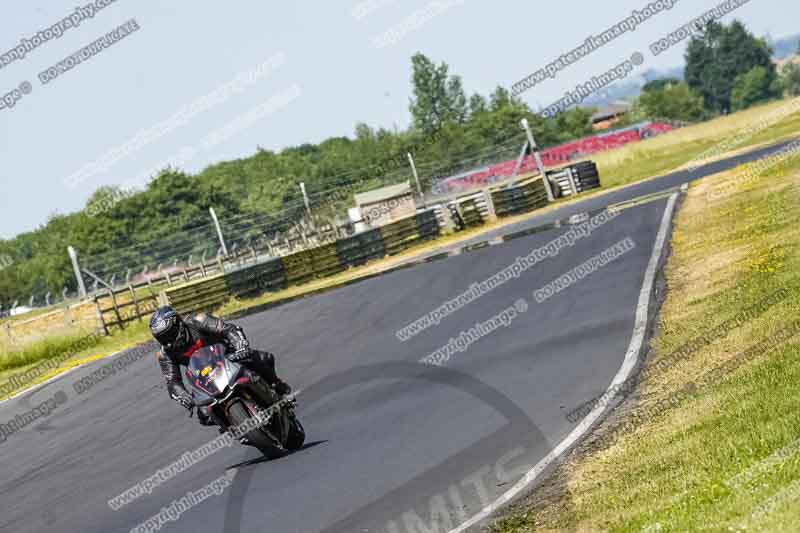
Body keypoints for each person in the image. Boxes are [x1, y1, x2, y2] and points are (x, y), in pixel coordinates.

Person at [149, 306, 291, 429]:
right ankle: (232, 426)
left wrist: (240, 344)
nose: (167, 341)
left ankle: (278, 387)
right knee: (204, 415)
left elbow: (228, 329)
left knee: (263, 359)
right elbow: (172, 381)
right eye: (162, 338)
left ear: (178, 324)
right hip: (204, 377)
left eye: (169, 334)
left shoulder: (198, 320)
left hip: (230, 357)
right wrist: (182, 395)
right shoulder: (164, 354)